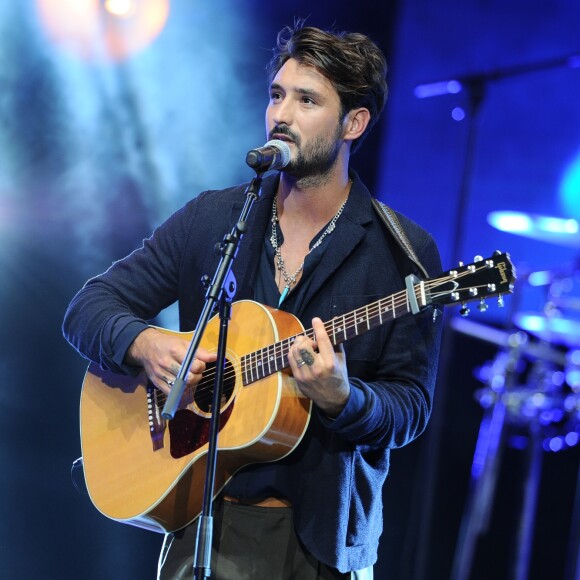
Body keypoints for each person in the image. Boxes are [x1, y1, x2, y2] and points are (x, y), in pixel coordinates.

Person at [63, 23, 442, 580]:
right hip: (199, 518)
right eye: (277, 94)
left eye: (307, 100)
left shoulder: (400, 253)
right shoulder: (216, 218)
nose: (281, 114)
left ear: (353, 124)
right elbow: (88, 307)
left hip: (317, 538)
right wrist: (146, 345)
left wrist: (343, 399)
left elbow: (410, 407)